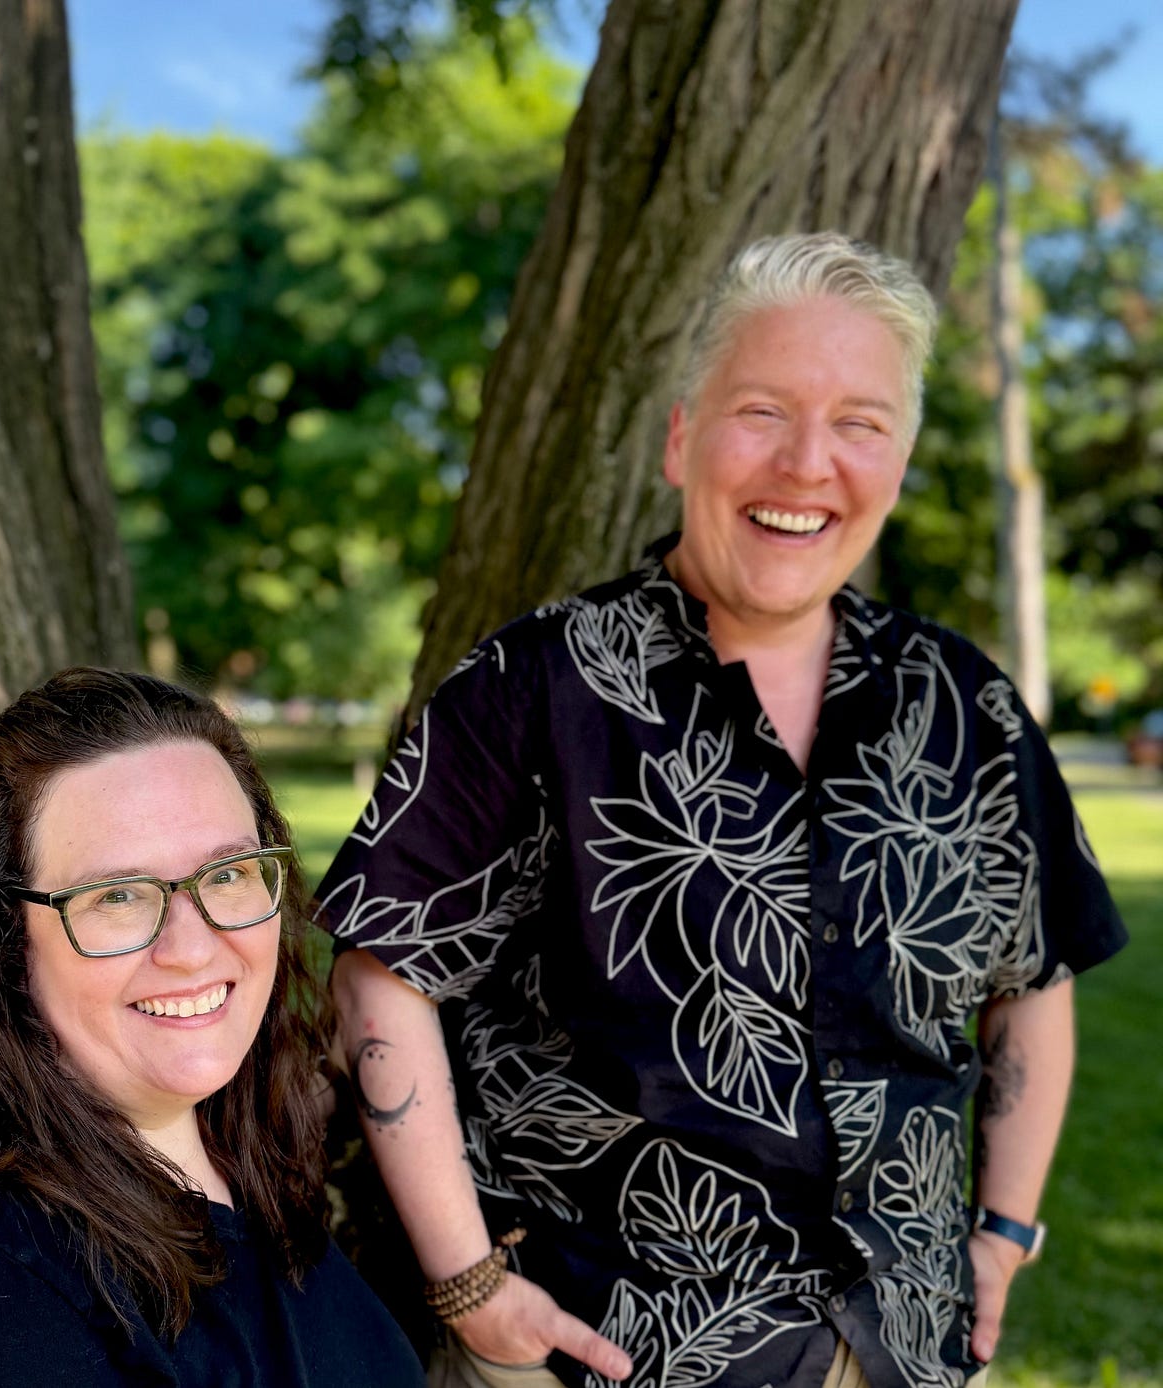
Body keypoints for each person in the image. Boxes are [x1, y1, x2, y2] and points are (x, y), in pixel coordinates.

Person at [316, 233, 1128, 1388]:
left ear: (897, 463)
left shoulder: (967, 707)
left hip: (904, 1345)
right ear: (680, 438)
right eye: (762, 411)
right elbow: (380, 974)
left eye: (858, 423)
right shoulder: (536, 685)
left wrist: (1001, 1231)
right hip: (608, 1347)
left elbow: (1034, 971)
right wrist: (469, 1284)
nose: (807, 463)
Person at [0, 667, 424, 1388]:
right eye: (118, 896)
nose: (192, 948)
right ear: (1, 940)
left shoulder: (232, 1149)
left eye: (227, 876)